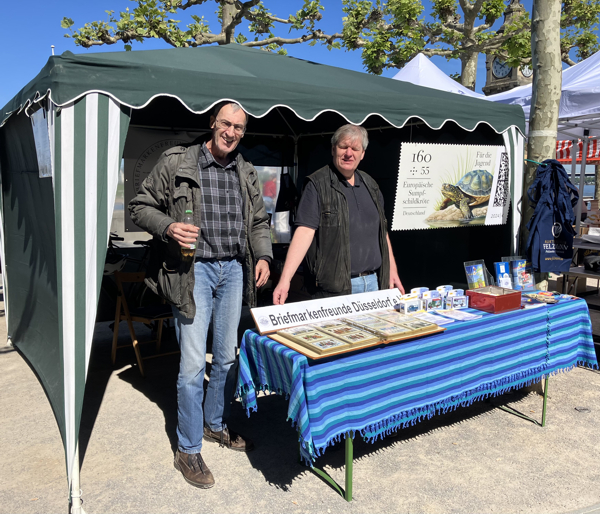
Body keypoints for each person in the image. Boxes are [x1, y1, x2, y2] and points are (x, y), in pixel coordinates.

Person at [129, 101, 272, 489]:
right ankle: (188, 449)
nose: (231, 132)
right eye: (226, 123)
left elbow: (259, 222)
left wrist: (263, 255)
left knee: (226, 357)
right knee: (193, 365)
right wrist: (168, 226)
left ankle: (214, 424)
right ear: (212, 123)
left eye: (239, 128)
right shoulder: (179, 162)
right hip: (194, 272)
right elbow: (140, 206)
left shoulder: (245, 170)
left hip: (233, 270)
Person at [272, 124, 403, 305]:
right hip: (335, 290)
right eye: (343, 147)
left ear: (362, 154)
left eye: (355, 148)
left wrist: (392, 271)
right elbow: (304, 232)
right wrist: (285, 279)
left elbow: (382, 232)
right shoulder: (317, 185)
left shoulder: (371, 185)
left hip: (373, 283)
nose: (349, 153)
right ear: (333, 149)